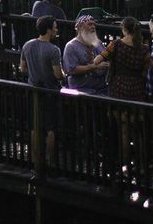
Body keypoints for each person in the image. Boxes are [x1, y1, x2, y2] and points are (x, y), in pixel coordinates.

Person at [19, 15, 65, 164]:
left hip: (32, 90)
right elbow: (58, 75)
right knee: (51, 127)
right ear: (49, 30)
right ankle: (51, 161)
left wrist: (35, 72)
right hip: (49, 91)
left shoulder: (27, 45)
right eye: (55, 27)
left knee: (34, 126)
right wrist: (64, 74)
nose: (57, 30)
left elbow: (22, 68)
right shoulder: (54, 50)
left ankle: (36, 159)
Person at [92, 17, 153, 102]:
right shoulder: (144, 49)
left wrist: (91, 62)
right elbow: (146, 70)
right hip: (137, 88)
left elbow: (99, 59)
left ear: (124, 29)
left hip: (118, 86)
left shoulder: (115, 44)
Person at [62, 15, 108, 95]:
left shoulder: (98, 43)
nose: (93, 27)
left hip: (101, 89)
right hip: (81, 90)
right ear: (80, 27)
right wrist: (95, 67)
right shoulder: (71, 46)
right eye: (90, 24)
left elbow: (107, 57)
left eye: (94, 24)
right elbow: (71, 70)